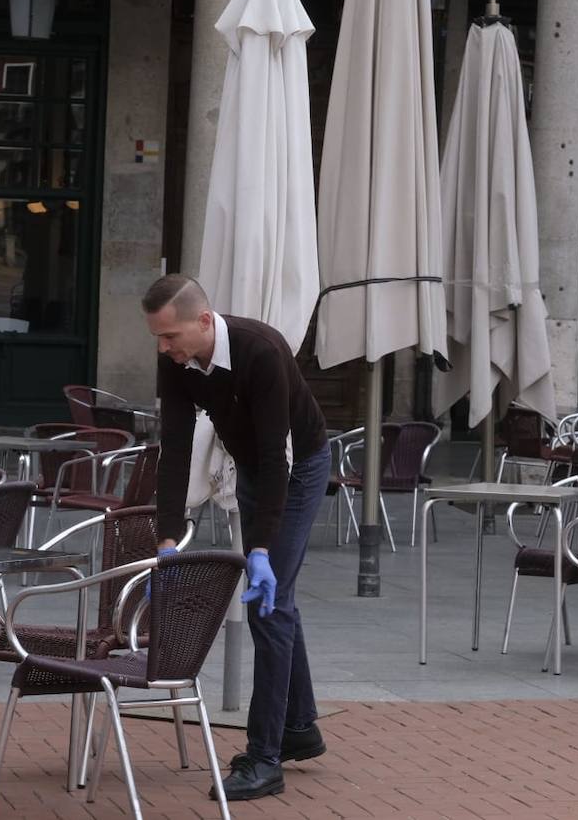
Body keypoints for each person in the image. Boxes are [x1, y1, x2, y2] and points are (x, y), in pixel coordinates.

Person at [142, 274, 331, 801]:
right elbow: (174, 452)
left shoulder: (261, 350)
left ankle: (266, 759)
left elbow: (279, 457)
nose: (163, 349)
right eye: (157, 338)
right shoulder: (176, 361)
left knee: (267, 605)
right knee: (281, 602)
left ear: (203, 321)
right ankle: (299, 727)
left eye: (170, 336)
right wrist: (166, 542)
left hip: (299, 465)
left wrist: (263, 550)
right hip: (252, 467)